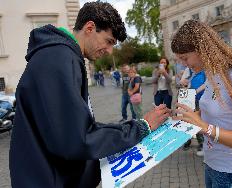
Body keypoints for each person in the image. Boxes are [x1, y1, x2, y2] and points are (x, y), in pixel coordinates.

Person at [9, 2, 171, 188]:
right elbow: (78, 139)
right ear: (90, 27)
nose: (110, 51)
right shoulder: (59, 59)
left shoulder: (63, 56)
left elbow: (75, 126)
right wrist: (141, 127)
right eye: (109, 41)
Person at [172, 20, 232, 187]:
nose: (184, 64)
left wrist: (205, 128)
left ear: (201, 49)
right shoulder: (213, 76)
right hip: (213, 168)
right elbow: (217, 112)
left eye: (185, 58)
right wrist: (190, 117)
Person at [181, 67, 206, 156]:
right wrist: (183, 82)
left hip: (201, 100)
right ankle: (187, 140)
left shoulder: (204, 69)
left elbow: (207, 84)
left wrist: (195, 91)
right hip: (189, 99)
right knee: (187, 121)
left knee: (199, 122)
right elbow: (182, 82)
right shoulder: (188, 70)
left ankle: (201, 142)